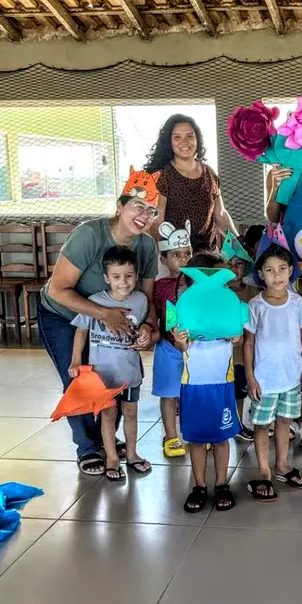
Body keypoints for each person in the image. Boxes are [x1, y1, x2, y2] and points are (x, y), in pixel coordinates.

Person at [38, 168, 160, 476]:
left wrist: (148, 328)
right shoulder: (89, 235)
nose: (144, 215)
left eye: (151, 210)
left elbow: (147, 299)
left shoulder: (147, 246)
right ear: (120, 206)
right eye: (138, 206)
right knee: (81, 379)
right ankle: (88, 447)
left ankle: (108, 441)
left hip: (111, 320)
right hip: (63, 315)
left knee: (111, 377)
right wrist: (104, 314)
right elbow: (57, 289)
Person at [69, 246, 152, 481]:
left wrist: (145, 332)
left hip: (130, 372)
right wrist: (76, 360)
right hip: (102, 375)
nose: (123, 282)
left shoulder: (141, 300)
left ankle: (132, 454)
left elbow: (145, 325)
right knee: (108, 414)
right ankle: (113, 458)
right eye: (116, 277)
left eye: (128, 276)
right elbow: (81, 330)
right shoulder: (95, 302)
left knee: (131, 412)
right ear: (107, 278)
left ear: (136, 275)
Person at [243, 242, 302, 502]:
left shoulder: (297, 303)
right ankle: (264, 470)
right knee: (262, 425)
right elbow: (248, 343)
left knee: (285, 421)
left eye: (282, 269)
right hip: (265, 380)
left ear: (290, 271)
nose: (277, 275)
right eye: (270, 270)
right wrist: (250, 377)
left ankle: (282, 464)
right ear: (261, 274)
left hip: (291, 377)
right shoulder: (255, 305)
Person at [173, 252, 240, 513]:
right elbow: (181, 347)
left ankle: (222, 483)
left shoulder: (228, 304)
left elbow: (238, 338)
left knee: (222, 438)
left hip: (222, 382)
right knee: (197, 439)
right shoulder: (185, 306)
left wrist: (236, 337)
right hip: (194, 385)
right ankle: (199, 485)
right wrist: (180, 340)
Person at [145, 114, 237, 252]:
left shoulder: (210, 173)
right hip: (176, 256)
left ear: (197, 139)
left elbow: (220, 214)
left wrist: (239, 243)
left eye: (189, 136)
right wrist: (165, 255)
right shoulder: (162, 176)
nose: (184, 142)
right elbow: (157, 221)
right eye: (177, 137)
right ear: (169, 142)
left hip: (208, 255)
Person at [152, 220, 193, 458]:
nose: (183, 259)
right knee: (169, 393)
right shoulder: (160, 286)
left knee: (192, 393)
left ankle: (194, 432)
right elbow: (155, 311)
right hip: (168, 347)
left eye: (187, 254)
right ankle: (171, 436)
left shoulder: (198, 284)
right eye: (176, 255)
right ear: (164, 259)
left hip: (194, 348)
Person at [221, 233, 259, 441]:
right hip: (223, 353)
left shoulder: (254, 292)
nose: (234, 269)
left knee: (240, 392)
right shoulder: (219, 293)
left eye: (239, 264)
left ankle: (238, 423)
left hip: (246, 354)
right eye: (229, 264)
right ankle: (224, 423)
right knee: (224, 390)